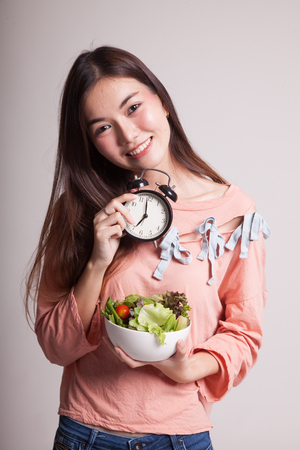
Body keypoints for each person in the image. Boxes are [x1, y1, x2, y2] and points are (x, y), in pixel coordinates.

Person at [25, 46, 271, 450]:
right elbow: (56, 347)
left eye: (134, 107)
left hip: (181, 437)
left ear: (162, 101)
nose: (128, 134)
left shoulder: (234, 212)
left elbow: (244, 333)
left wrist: (186, 368)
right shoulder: (78, 208)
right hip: (85, 435)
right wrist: (98, 260)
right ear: (90, 142)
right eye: (103, 127)